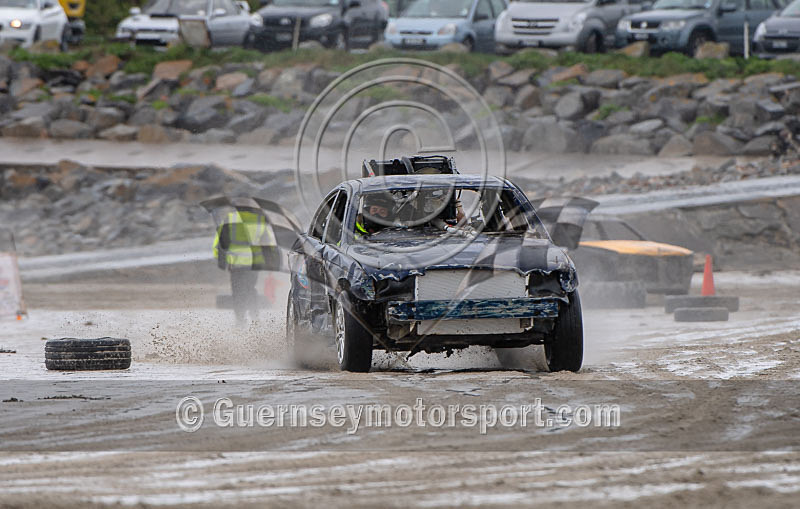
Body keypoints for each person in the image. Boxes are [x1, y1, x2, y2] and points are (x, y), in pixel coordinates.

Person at [213, 208, 279, 326]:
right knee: (250, 289)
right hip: (253, 263)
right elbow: (268, 244)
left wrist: (222, 261)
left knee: (238, 291)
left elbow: (219, 243)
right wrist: (270, 262)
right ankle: (255, 318)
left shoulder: (230, 219)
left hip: (236, 264)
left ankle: (240, 320)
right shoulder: (259, 220)